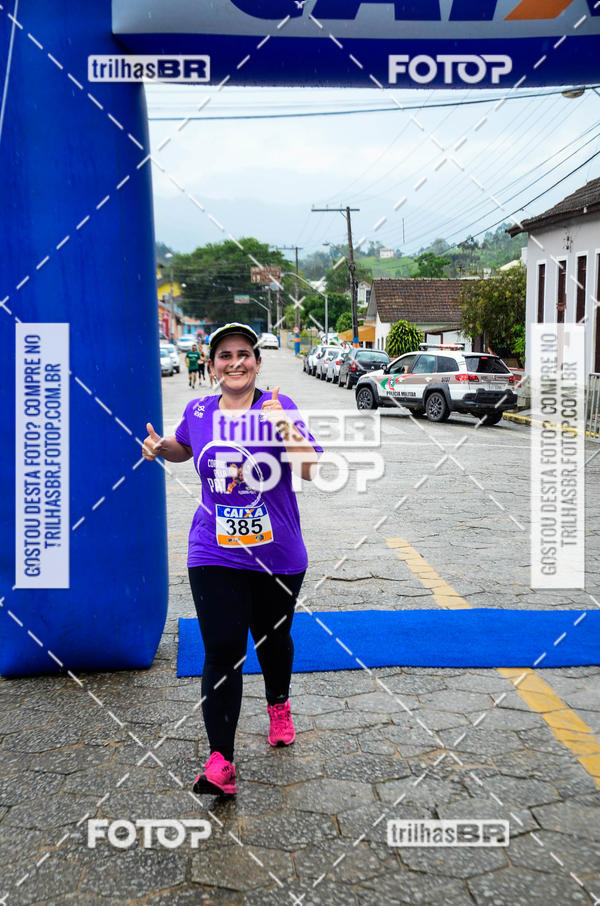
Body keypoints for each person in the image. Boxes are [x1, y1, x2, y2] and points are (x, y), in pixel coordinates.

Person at [142, 323, 322, 796]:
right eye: (225, 355)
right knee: (223, 648)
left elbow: (308, 466)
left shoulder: (277, 408)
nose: (235, 362)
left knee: (273, 639)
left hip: (277, 553)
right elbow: (186, 448)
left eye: (244, 353)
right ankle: (221, 760)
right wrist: (163, 448)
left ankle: (278, 704)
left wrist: (285, 425)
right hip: (212, 549)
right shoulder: (198, 409)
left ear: (258, 363)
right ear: (212, 364)